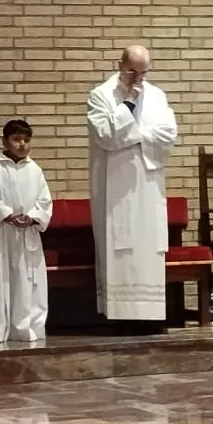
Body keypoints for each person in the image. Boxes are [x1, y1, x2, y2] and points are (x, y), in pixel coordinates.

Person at [86, 46, 180, 325]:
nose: (138, 79)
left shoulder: (157, 95)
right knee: (119, 247)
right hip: (114, 189)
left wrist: (131, 134)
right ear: (120, 64)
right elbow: (106, 137)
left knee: (147, 246)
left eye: (143, 72)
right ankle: (118, 318)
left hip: (148, 184)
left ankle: (150, 317)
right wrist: (127, 104)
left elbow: (168, 134)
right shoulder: (100, 95)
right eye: (132, 71)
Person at [0, 120, 54, 343]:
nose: (22, 144)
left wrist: (32, 217)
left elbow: (45, 200)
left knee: (27, 282)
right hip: (2, 232)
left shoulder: (34, 169)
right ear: (4, 140)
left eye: (26, 140)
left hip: (27, 233)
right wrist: (8, 215)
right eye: (16, 139)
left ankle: (25, 328)